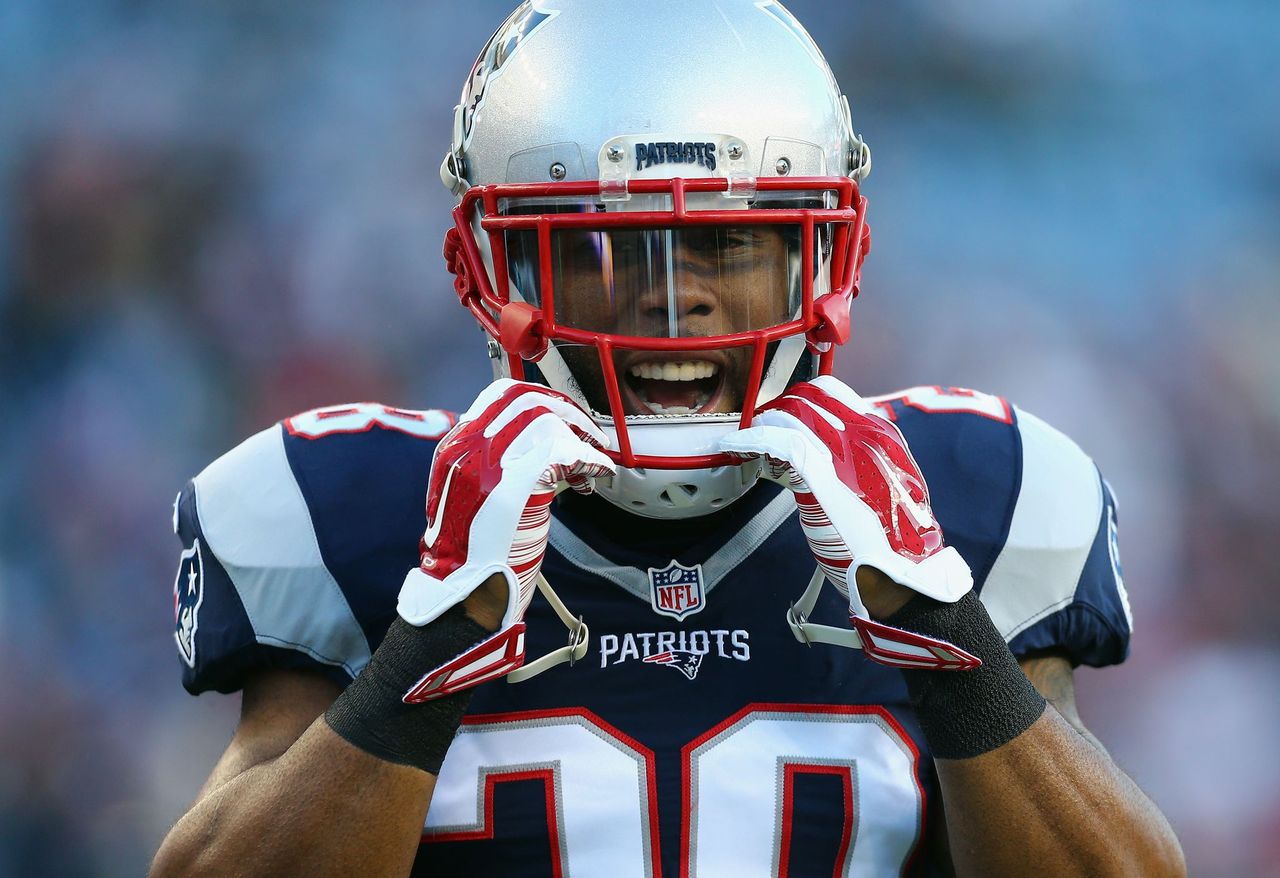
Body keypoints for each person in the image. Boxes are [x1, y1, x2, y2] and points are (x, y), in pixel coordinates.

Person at [150, 2, 1185, 875]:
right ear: (486, 268)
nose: (672, 299)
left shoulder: (973, 489)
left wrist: (942, 628)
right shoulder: (348, 501)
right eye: (598, 245)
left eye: (731, 240)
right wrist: (431, 639)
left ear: (829, 255)